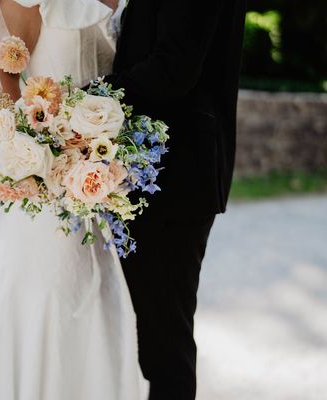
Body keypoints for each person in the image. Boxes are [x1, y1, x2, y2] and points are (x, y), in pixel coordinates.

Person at [0, 1, 149, 399]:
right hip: (45, 178)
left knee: (92, 281)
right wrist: (41, 157)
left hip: (91, 169)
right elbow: (3, 101)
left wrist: (92, 151)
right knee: (51, 285)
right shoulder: (15, 4)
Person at [106, 1, 247, 399]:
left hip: (176, 177)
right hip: (167, 174)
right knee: (160, 337)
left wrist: (85, 101)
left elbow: (173, 69)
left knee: (166, 344)